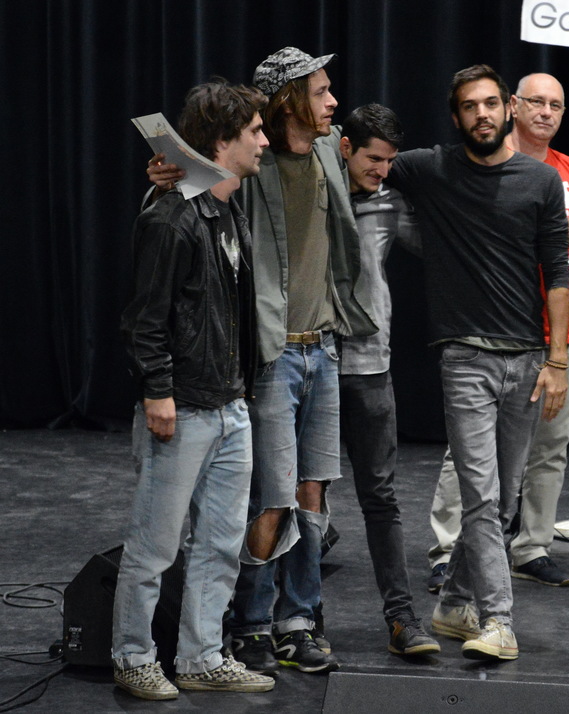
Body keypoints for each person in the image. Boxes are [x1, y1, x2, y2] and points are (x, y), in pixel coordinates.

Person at [148, 47, 374, 674]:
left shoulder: (330, 152)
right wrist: (165, 175)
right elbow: (191, 191)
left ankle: (298, 618)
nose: (332, 101)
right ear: (289, 101)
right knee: (271, 499)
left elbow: (378, 168)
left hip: (323, 347)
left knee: (312, 491)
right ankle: (250, 621)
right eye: (321, 91)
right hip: (273, 356)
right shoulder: (253, 162)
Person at [387, 64, 569, 661]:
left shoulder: (540, 180)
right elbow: (362, 157)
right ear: (456, 116)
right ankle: (498, 620)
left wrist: (558, 360)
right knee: (482, 497)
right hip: (464, 357)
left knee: (504, 500)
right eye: (470, 106)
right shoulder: (430, 168)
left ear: (508, 108)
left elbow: (558, 272)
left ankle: (452, 604)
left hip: (527, 360)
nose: (482, 115)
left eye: (491, 103)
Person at [113, 79, 275, 700]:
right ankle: (133, 656)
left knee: (220, 544)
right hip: (183, 409)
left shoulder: (227, 210)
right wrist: (158, 391)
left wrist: (241, 394)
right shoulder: (171, 217)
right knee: (154, 546)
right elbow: (144, 319)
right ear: (222, 141)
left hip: (230, 405)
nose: (264, 140)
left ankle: (202, 656)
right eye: (254, 131)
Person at [425, 72, 569, 592]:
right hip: (497, 330)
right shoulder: (485, 162)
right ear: (512, 106)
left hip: (562, 333)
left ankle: (531, 547)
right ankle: (448, 551)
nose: (546, 112)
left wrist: (548, 211)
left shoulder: (567, 171)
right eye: (536, 102)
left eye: (557, 105)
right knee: (470, 451)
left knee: (550, 446)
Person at [335, 103, 439, 655]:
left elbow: (440, 247)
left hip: (371, 365)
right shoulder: (311, 188)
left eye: (390, 160)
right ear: (345, 148)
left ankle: (402, 619)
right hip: (310, 364)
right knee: (298, 496)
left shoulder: (390, 200)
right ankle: (294, 621)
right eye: (374, 158)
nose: (382, 169)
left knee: (380, 497)